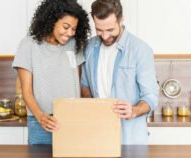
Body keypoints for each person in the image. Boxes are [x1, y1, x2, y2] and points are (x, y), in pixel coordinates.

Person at [12, 0, 90, 145]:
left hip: (71, 121)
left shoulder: (74, 45)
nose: (70, 33)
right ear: (51, 20)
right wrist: (41, 117)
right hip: (40, 122)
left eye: (74, 29)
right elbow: (26, 91)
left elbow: (76, 84)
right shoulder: (28, 45)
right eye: (66, 27)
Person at [81, 0, 158, 144]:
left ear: (121, 19)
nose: (104, 36)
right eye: (99, 30)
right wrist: (92, 105)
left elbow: (151, 96)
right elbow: (85, 85)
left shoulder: (140, 50)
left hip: (130, 140)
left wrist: (134, 110)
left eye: (110, 30)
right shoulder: (90, 47)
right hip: (98, 136)